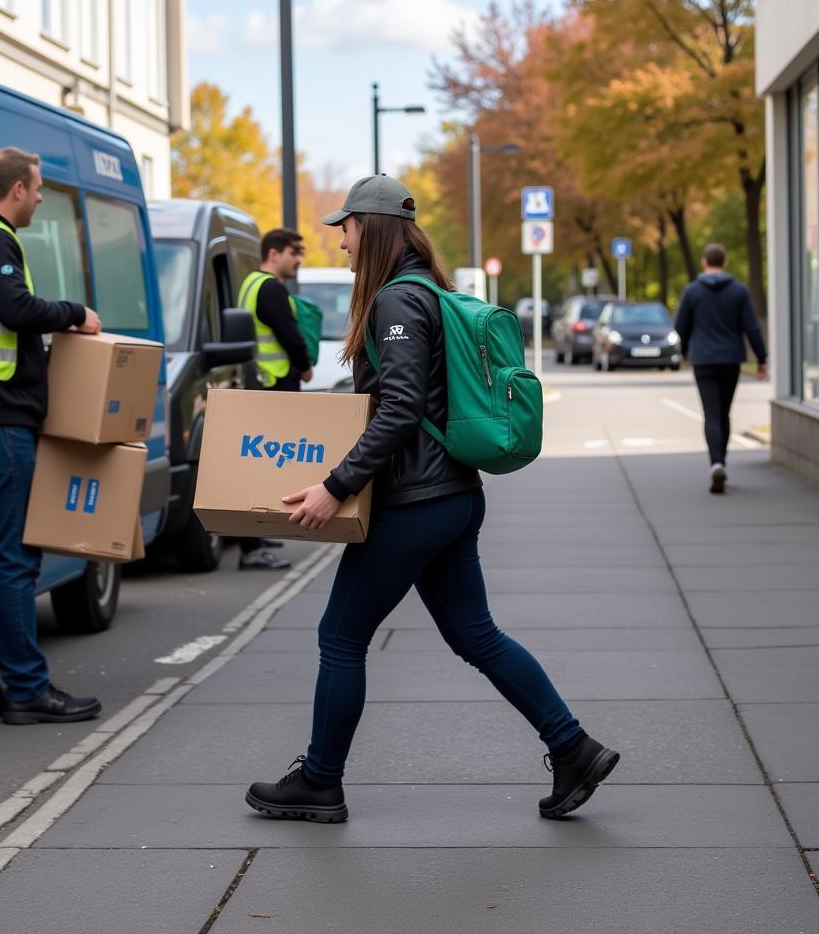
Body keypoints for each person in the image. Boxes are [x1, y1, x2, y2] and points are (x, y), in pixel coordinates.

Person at [245, 175, 619, 823]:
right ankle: (573, 747)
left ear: (375, 226)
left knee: (340, 635)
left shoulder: (396, 302)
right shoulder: (431, 293)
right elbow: (409, 403)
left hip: (415, 503)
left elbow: (399, 411)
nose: (341, 243)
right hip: (452, 496)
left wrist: (335, 488)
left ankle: (320, 781)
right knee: (477, 635)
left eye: (347, 228)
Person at [0, 147, 104, 725]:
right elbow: (15, 308)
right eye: (35, 190)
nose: (38, 199)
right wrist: (75, 313)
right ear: (14, 190)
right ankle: (27, 690)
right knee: (15, 558)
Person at [234, 228, 314, 571]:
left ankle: (255, 537)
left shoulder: (250, 284)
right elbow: (289, 335)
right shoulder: (270, 289)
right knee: (265, 466)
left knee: (258, 463)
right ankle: (251, 549)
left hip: (257, 385)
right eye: (294, 252)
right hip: (273, 385)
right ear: (274, 254)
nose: (298, 259)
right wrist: (305, 366)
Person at [674, 242, 767, 494]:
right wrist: (761, 358)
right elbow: (752, 327)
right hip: (730, 359)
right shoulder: (738, 291)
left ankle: (716, 463)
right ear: (724, 262)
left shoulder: (692, 292)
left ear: (705, 262)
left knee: (711, 413)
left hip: (703, 359)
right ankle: (721, 461)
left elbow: (680, 327)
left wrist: (684, 354)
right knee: (724, 412)